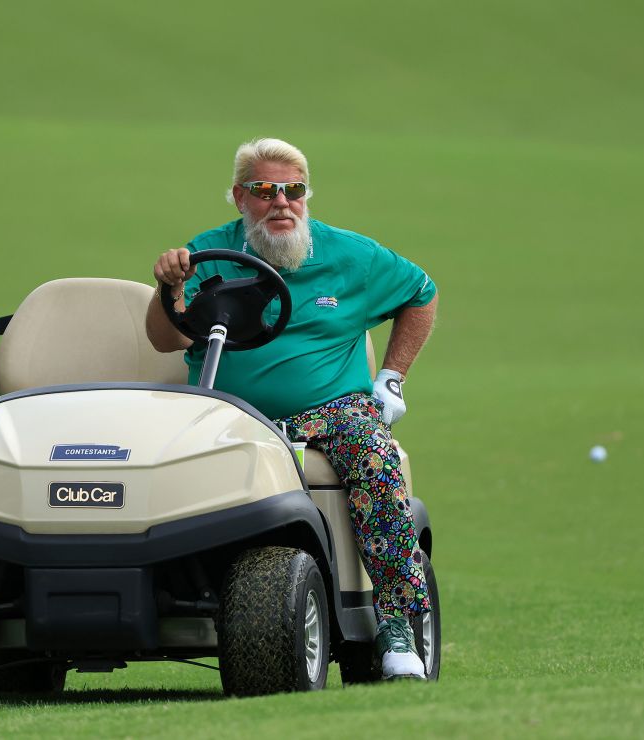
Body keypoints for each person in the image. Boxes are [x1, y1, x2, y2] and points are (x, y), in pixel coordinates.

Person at [145, 138, 438, 680]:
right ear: (239, 197)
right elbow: (164, 339)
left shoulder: (352, 255)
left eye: (293, 190)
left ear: (306, 196)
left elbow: (421, 294)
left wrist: (392, 377)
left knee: (373, 454)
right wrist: (169, 287)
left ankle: (396, 622)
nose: (281, 202)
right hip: (228, 411)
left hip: (332, 407)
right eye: (263, 190)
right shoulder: (207, 253)